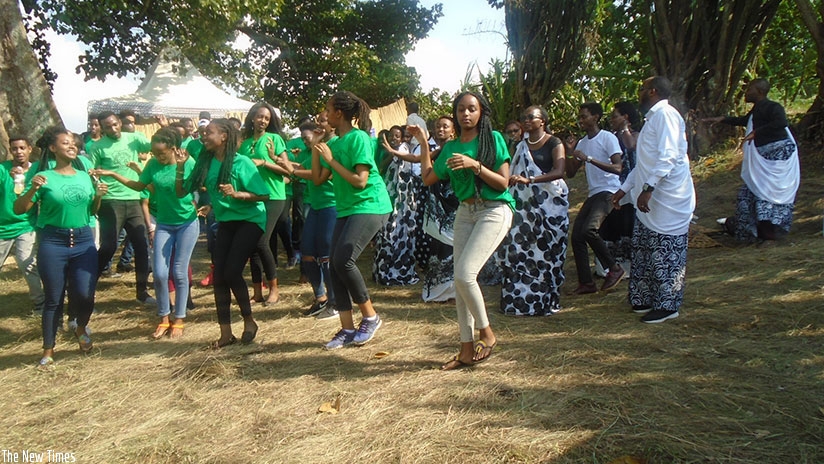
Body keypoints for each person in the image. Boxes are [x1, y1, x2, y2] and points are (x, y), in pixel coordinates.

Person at [417, 91, 514, 370]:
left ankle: (486, 333)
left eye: (471, 109)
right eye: (461, 110)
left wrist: (475, 165)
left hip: (494, 210)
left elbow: (503, 184)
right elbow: (427, 178)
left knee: (463, 274)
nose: (466, 114)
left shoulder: (493, 139)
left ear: (481, 111)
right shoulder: (450, 148)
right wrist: (424, 143)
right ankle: (466, 350)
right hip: (465, 212)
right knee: (461, 285)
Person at [92, 127, 198, 339]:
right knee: (158, 273)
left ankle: (179, 319)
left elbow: (183, 192)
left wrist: (179, 167)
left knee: (178, 271)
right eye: (154, 153)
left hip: (187, 223)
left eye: (162, 153)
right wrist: (114, 174)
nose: (157, 156)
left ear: (174, 149)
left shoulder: (188, 163)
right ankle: (163, 317)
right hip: (165, 224)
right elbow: (140, 185)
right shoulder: (152, 164)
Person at [14, 126, 108, 365]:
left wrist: (97, 196)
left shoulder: (85, 176)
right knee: (54, 297)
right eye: (65, 143)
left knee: (85, 294)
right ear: (53, 148)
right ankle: (48, 349)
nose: (72, 146)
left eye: (74, 143)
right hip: (53, 242)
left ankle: (80, 327)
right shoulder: (44, 177)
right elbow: (19, 208)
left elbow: (91, 212)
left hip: (83, 240)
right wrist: (33, 188)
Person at [311, 91, 392, 350]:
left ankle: (370, 316)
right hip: (347, 208)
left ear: (339, 113)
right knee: (335, 265)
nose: (324, 114)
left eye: (327, 109)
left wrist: (331, 160)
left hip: (371, 204)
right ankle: (346, 328)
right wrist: (317, 147)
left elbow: (360, 181)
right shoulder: (333, 144)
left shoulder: (358, 138)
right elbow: (318, 179)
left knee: (344, 260)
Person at [178, 118, 269, 347]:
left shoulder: (242, 162)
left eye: (208, 132)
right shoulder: (205, 161)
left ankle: (249, 322)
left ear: (224, 137)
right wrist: (180, 167)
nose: (203, 136)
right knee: (219, 276)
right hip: (226, 221)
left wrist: (238, 194)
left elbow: (263, 195)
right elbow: (181, 191)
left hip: (251, 220)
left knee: (231, 271)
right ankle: (226, 334)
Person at [612, 76, 696, 323]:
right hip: (650, 200)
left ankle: (668, 305)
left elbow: (668, 157)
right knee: (645, 250)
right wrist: (624, 190)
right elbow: (643, 164)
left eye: (641, 89)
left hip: (667, 198)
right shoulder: (653, 119)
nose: (638, 94)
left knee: (665, 251)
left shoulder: (666, 115)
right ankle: (645, 298)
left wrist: (648, 188)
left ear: (652, 91)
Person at [703, 78, 800, 243]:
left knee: (766, 195)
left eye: (749, 90)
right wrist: (723, 119)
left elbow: (781, 122)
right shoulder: (758, 109)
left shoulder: (773, 107)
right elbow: (746, 121)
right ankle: (752, 232)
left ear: (760, 92)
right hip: (763, 162)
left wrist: (756, 133)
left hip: (775, 161)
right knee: (750, 194)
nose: (746, 93)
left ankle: (768, 234)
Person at [500, 105, 568, 316]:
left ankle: (545, 300)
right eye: (524, 118)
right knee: (520, 251)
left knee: (547, 254)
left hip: (549, 208)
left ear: (543, 121)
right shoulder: (521, 146)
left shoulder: (554, 143)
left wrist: (530, 180)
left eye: (531, 117)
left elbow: (559, 171)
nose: (527, 120)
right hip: (524, 211)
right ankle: (520, 300)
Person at [88, 111, 155, 304]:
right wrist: (97, 185)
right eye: (108, 127)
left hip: (134, 198)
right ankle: (87, 286)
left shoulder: (134, 138)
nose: (113, 129)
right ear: (101, 127)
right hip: (111, 201)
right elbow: (92, 172)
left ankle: (142, 293)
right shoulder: (97, 147)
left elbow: (156, 146)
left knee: (142, 247)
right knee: (108, 246)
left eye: (115, 124)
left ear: (120, 122)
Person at [566, 102, 625, 294]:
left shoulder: (607, 137)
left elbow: (618, 168)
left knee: (590, 230)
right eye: (580, 117)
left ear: (596, 117)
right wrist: (571, 153)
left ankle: (614, 269)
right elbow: (572, 173)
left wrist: (589, 159)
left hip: (609, 190)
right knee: (576, 236)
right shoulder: (582, 143)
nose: (581, 120)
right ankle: (587, 283)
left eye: (584, 116)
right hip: (594, 193)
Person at [238, 102, 292, 306]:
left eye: (267, 118)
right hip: (252, 197)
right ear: (252, 118)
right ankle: (257, 292)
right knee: (253, 246)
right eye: (260, 116)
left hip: (273, 197)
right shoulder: (244, 144)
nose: (263, 120)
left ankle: (274, 290)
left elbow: (288, 171)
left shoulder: (275, 139)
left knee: (261, 242)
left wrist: (266, 162)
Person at [291, 121, 338, 319]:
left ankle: (335, 303)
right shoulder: (312, 152)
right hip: (315, 205)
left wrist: (292, 170)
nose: (304, 141)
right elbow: (300, 168)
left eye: (306, 137)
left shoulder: (334, 147)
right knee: (308, 253)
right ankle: (321, 298)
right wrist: (280, 161)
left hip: (331, 204)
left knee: (326, 255)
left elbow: (317, 176)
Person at [415, 116, 458, 303]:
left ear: (452, 131)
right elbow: (420, 162)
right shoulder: (438, 151)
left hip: (453, 203)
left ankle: (454, 291)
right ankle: (440, 290)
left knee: (452, 245)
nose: (440, 129)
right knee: (438, 246)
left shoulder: (456, 149)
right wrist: (423, 143)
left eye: (445, 126)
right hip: (436, 204)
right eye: (437, 126)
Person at [0, 137, 45, 315]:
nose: (18, 152)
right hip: (3, 226)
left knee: (27, 263)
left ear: (29, 149)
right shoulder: (3, 169)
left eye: (22, 148)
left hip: (26, 225)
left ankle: (40, 303)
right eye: (14, 149)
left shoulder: (38, 170)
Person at [596, 101, 641, 275]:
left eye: (615, 116)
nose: (612, 120)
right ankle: (609, 267)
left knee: (627, 224)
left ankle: (630, 268)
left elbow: (631, 146)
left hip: (631, 186)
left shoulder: (637, 135)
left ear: (626, 117)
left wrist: (624, 130)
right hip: (613, 186)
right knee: (612, 224)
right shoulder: (609, 138)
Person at [374, 125, 420, 285]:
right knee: (386, 232)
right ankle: (384, 270)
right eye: (392, 136)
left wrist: (395, 152)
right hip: (389, 198)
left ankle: (399, 271)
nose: (394, 139)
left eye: (397, 136)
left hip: (404, 202)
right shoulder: (385, 153)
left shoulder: (405, 149)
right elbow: (382, 168)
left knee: (401, 232)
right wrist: (390, 153)